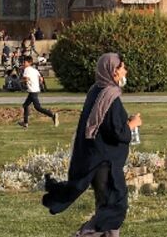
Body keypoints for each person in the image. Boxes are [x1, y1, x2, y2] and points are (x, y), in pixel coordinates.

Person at [43, 53, 138, 236]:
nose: (126, 71)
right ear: (114, 71)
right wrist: (132, 125)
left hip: (96, 159)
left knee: (107, 205)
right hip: (105, 162)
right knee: (114, 206)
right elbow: (116, 132)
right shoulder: (109, 96)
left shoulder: (96, 91)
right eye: (122, 67)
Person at [17, 55, 58, 128]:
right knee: (25, 105)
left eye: (24, 62)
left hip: (32, 91)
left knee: (38, 107)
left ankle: (53, 115)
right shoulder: (34, 70)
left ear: (28, 62)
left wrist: (20, 81)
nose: (23, 63)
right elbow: (41, 79)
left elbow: (26, 79)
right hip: (35, 90)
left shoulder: (27, 70)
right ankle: (25, 123)